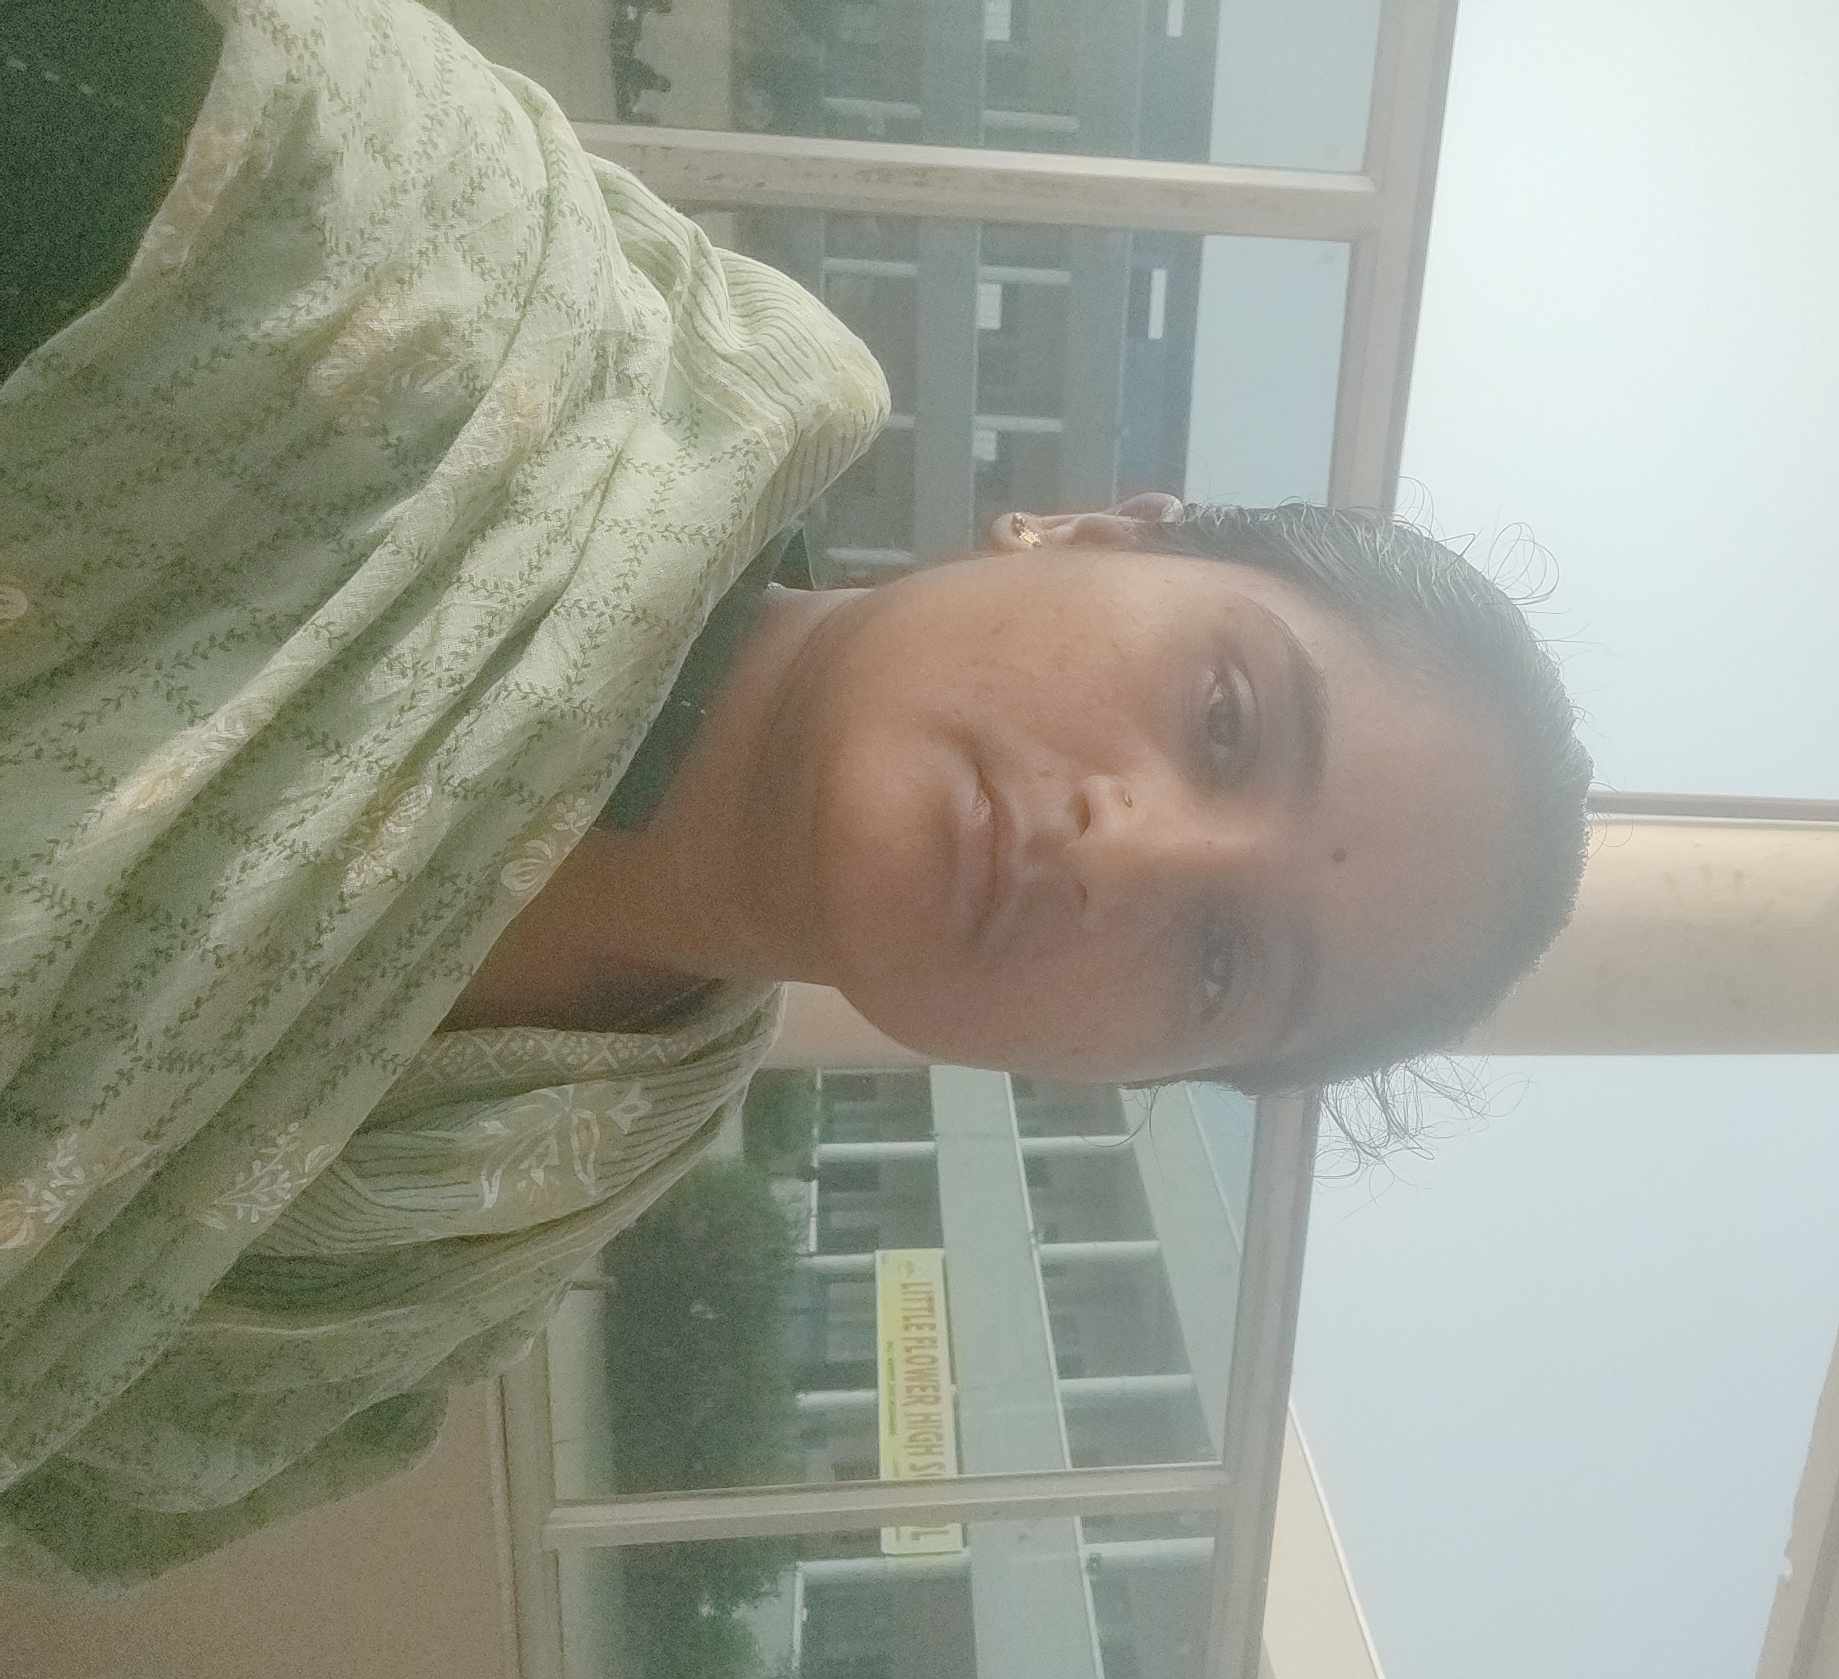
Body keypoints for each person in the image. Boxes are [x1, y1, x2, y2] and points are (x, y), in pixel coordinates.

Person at [0, 0, 1590, 1589]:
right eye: (1228, 720)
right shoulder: (390, 251)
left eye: (1223, 965)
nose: (1131, 851)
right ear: (1093, 530)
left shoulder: (470, 1249)